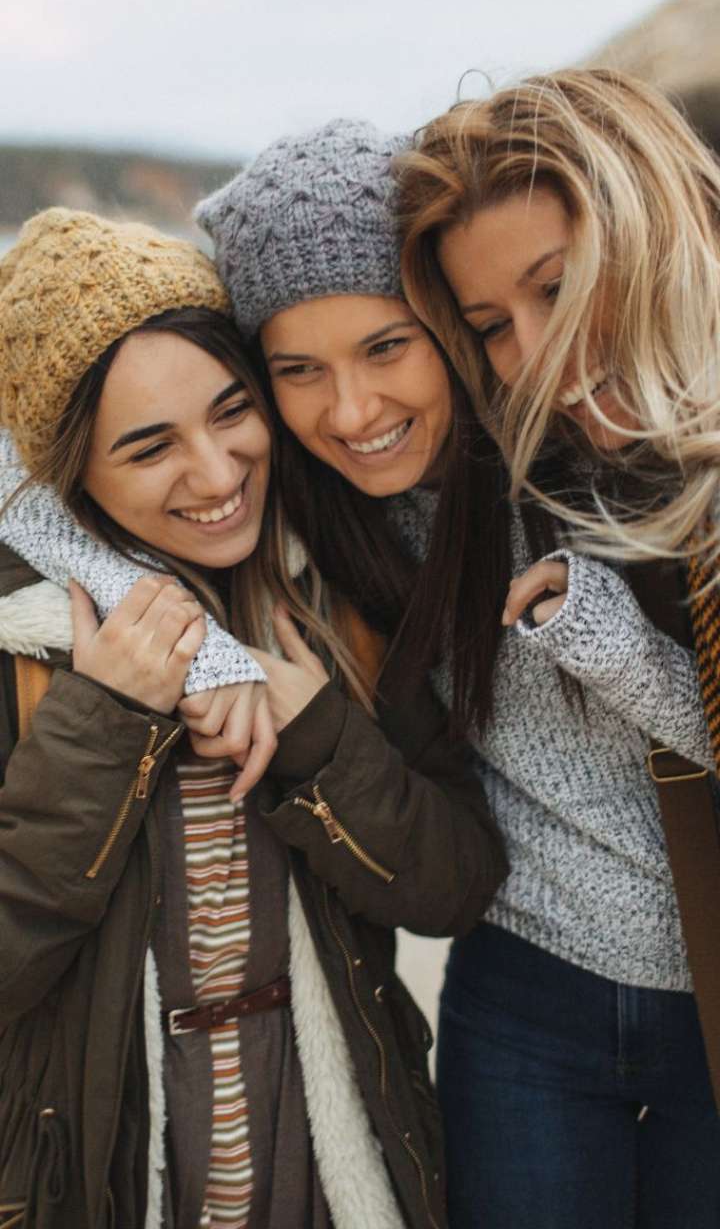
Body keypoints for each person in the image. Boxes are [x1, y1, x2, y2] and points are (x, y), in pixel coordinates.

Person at [192, 113, 720, 1228]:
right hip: (524, 1001)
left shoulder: (599, 449)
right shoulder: (315, 524)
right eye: (298, 370)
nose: (354, 410)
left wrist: (614, 644)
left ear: (448, 326)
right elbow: (41, 469)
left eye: (388, 346)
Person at [0, 208, 507, 1229]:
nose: (221, 472)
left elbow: (455, 879)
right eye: (149, 448)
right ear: (71, 471)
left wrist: (320, 729)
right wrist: (104, 724)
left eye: (233, 410)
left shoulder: (336, 594)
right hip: (98, 1176)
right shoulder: (23, 646)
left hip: (329, 1161)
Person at [390, 68, 720, 1227]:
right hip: (525, 1002)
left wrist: (613, 648)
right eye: (490, 324)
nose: (537, 353)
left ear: (649, 227)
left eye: (558, 286)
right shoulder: (462, 479)